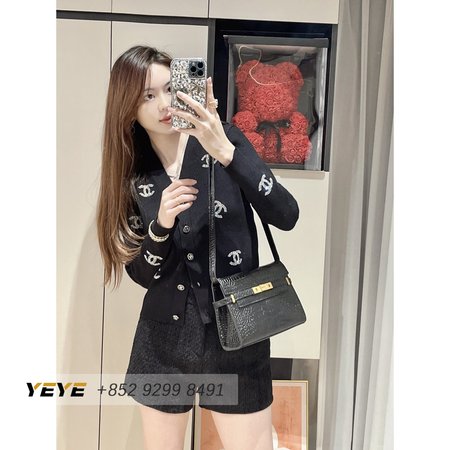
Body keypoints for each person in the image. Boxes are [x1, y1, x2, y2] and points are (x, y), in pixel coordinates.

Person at [96, 45, 299, 450]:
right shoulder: (133, 174)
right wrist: (161, 225)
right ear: (128, 108)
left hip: (238, 331)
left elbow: (286, 214)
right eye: (147, 96)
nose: (164, 104)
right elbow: (141, 274)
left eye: (170, 89)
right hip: (163, 340)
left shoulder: (225, 141)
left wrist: (226, 152)